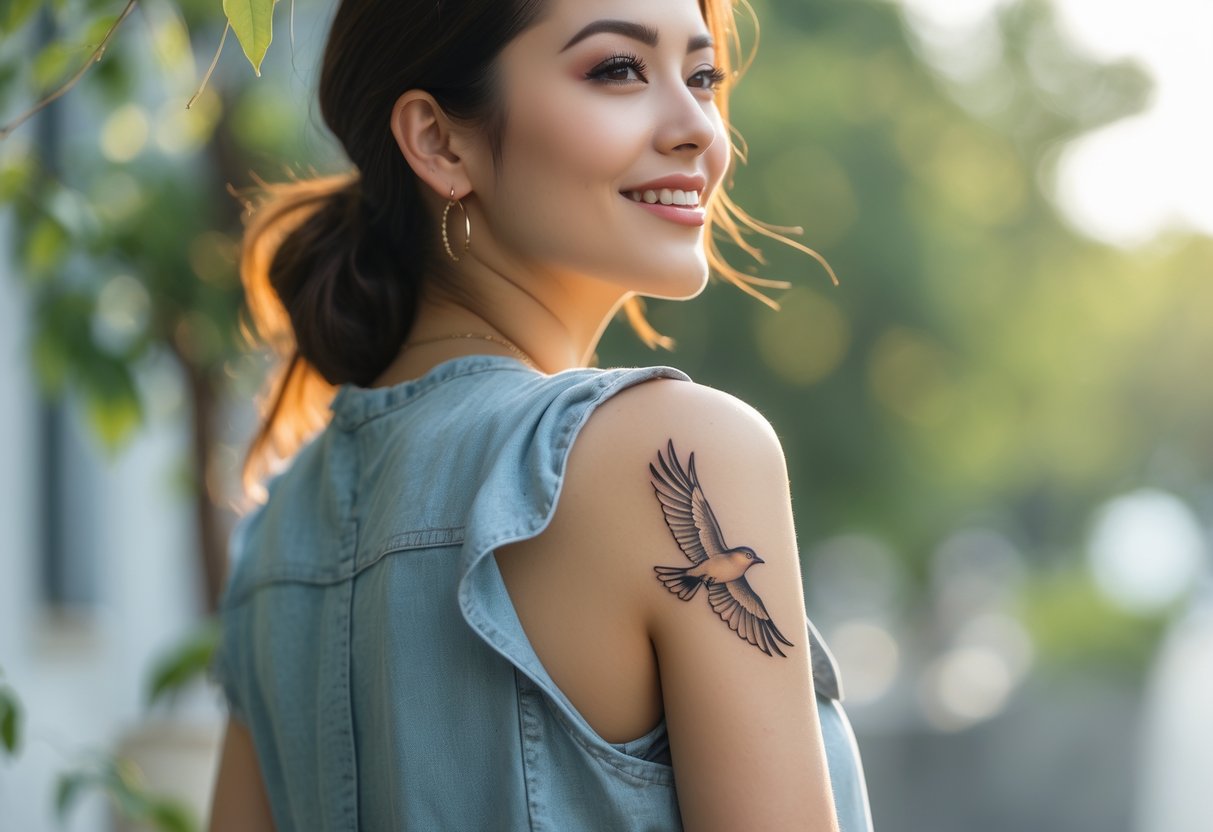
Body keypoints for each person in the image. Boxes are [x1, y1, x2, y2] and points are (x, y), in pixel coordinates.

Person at [207, 0, 873, 829]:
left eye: (701, 77)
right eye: (617, 70)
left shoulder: (274, 537)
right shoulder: (677, 445)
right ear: (438, 142)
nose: (699, 129)